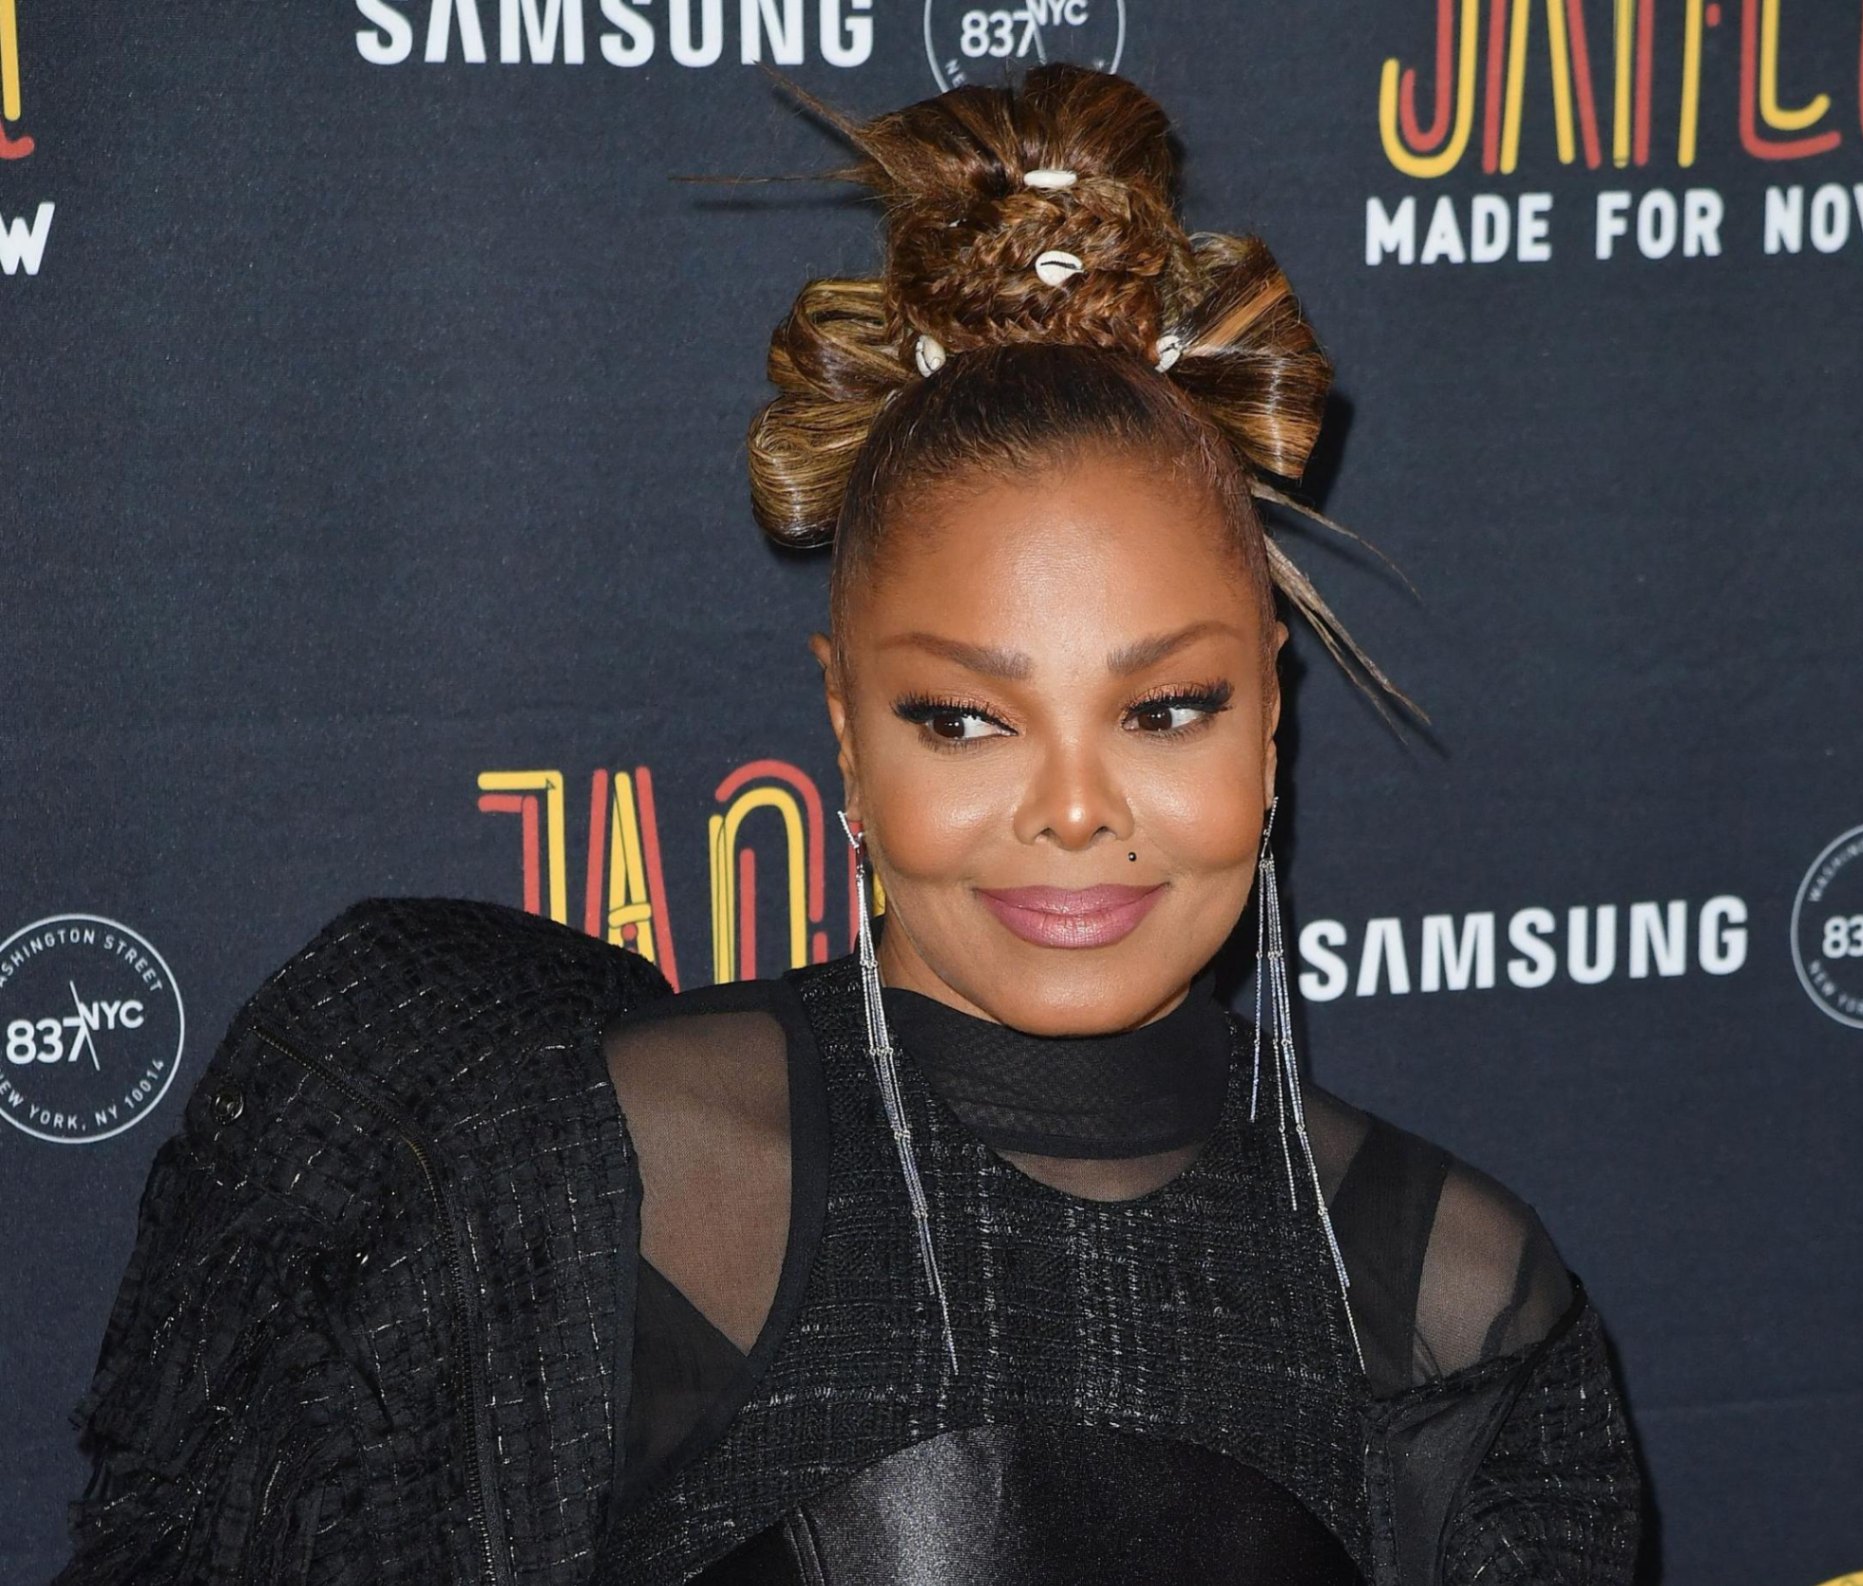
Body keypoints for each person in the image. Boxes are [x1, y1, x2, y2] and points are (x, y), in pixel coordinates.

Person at [53, 66, 1640, 1586]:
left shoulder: (1461, 1298)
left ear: (1268, 717)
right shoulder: (577, 1194)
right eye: (964, 716)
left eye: (1165, 708)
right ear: (844, 728)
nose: (1073, 806)